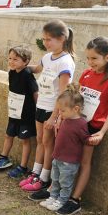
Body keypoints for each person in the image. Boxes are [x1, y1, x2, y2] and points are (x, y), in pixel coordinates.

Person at [57, 36, 108, 215]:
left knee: (85, 162)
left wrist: (102, 132)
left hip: (92, 128)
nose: (89, 62)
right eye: (88, 58)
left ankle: (75, 199)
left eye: (94, 58)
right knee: (65, 158)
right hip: (76, 124)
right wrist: (61, 118)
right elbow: (75, 99)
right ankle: (57, 191)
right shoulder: (87, 74)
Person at [20, 20, 75, 193]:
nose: (45, 43)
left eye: (49, 39)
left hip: (52, 109)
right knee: (40, 140)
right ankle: (36, 172)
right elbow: (37, 69)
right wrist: (21, 66)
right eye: (44, 39)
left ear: (62, 39)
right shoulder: (47, 57)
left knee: (47, 142)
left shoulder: (65, 62)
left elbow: (63, 92)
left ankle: (44, 177)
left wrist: (54, 116)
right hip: (41, 105)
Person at [39, 86, 89, 211]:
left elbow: (85, 139)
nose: (60, 113)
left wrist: (91, 139)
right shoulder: (65, 120)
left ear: (76, 109)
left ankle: (62, 200)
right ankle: (53, 196)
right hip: (58, 157)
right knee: (55, 179)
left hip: (69, 161)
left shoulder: (81, 123)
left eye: (63, 111)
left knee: (65, 182)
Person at [0, 47, 38, 178]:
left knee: (25, 139)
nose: (11, 62)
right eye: (10, 59)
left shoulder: (28, 75)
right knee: (9, 135)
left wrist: (37, 111)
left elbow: (35, 93)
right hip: (14, 112)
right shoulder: (11, 73)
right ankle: (3, 157)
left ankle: (23, 167)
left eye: (16, 59)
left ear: (26, 62)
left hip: (26, 114)